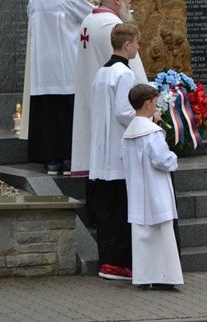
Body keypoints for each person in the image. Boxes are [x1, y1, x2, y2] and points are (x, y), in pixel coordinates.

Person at [71, 0, 148, 178]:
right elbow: (135, 69)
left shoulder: (89, 19)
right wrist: (149, 99)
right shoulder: (113, 25)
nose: (129, 2)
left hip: (92, 93)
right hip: (113, 101)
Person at [24, 0, 94, 175]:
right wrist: (88, 2)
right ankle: (70, 158)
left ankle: (51, 161)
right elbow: (91, 18)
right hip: (66, 65)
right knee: (67, 113)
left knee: (47, 114)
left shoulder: (35, 0)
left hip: (43, 68)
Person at [90, 23, 141, 281]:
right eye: (137, 43)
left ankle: (106, 261)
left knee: (106, 211)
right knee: (119, 211)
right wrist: (146, 118)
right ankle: (118, 265)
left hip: (101, 151)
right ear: (127, 45)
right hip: (117, 152)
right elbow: (123, 112)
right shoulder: (124, 74)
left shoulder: (102, 71)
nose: (138, 48)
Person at [122, 83, 183, 290]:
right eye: (155, 103)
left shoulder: (129, 132)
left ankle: (144, 276)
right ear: (147, 104)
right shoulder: (152, 132)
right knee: (162, 233)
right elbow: (161, 159)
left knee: (142, 234)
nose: (156, 107)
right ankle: (165, 277)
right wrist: (173, 158)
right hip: (156, 189)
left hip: (137, 191)